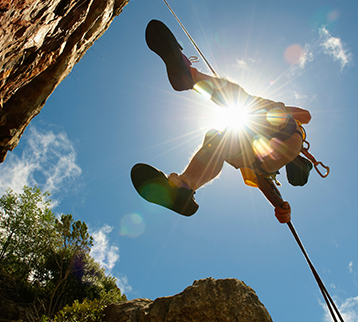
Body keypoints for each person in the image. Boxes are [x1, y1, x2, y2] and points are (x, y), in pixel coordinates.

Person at [131, 20, 311, 221]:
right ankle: (182, 188)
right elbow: (265, 185)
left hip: (282, 138)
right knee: (217, 139)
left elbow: (305, 115)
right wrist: (281, 208)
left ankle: (191, 76)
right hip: (257, 157)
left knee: (251, 106)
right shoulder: (265, 170)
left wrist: (279, 107)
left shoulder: (290, 142)